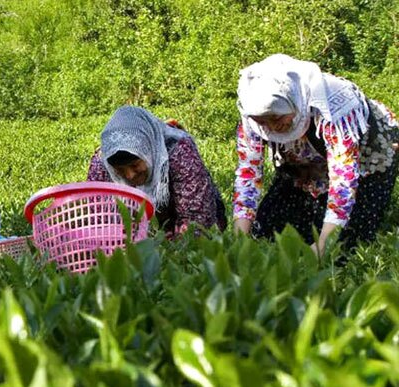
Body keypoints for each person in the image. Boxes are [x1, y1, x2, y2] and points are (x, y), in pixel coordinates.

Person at [233, 54, 399, 256]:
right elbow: (248, 174)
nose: (271, 127)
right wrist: (239, 239)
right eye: (262, 121)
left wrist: (324, 243)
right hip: (307, 164)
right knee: (267, 234)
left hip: (367, 158)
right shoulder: (253, 110)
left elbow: (343, 181)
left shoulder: (335, 109)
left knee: (344, 249)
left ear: (294, 102)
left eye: (276, 118)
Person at [87, 105, 227, 236]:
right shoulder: (102, 163)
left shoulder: (178, 152)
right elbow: (97, 218)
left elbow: (196, 217)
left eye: (135, 165)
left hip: (175, 227)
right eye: (120, 171)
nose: (129, 175)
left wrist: (175, 253)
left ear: (149, 152)